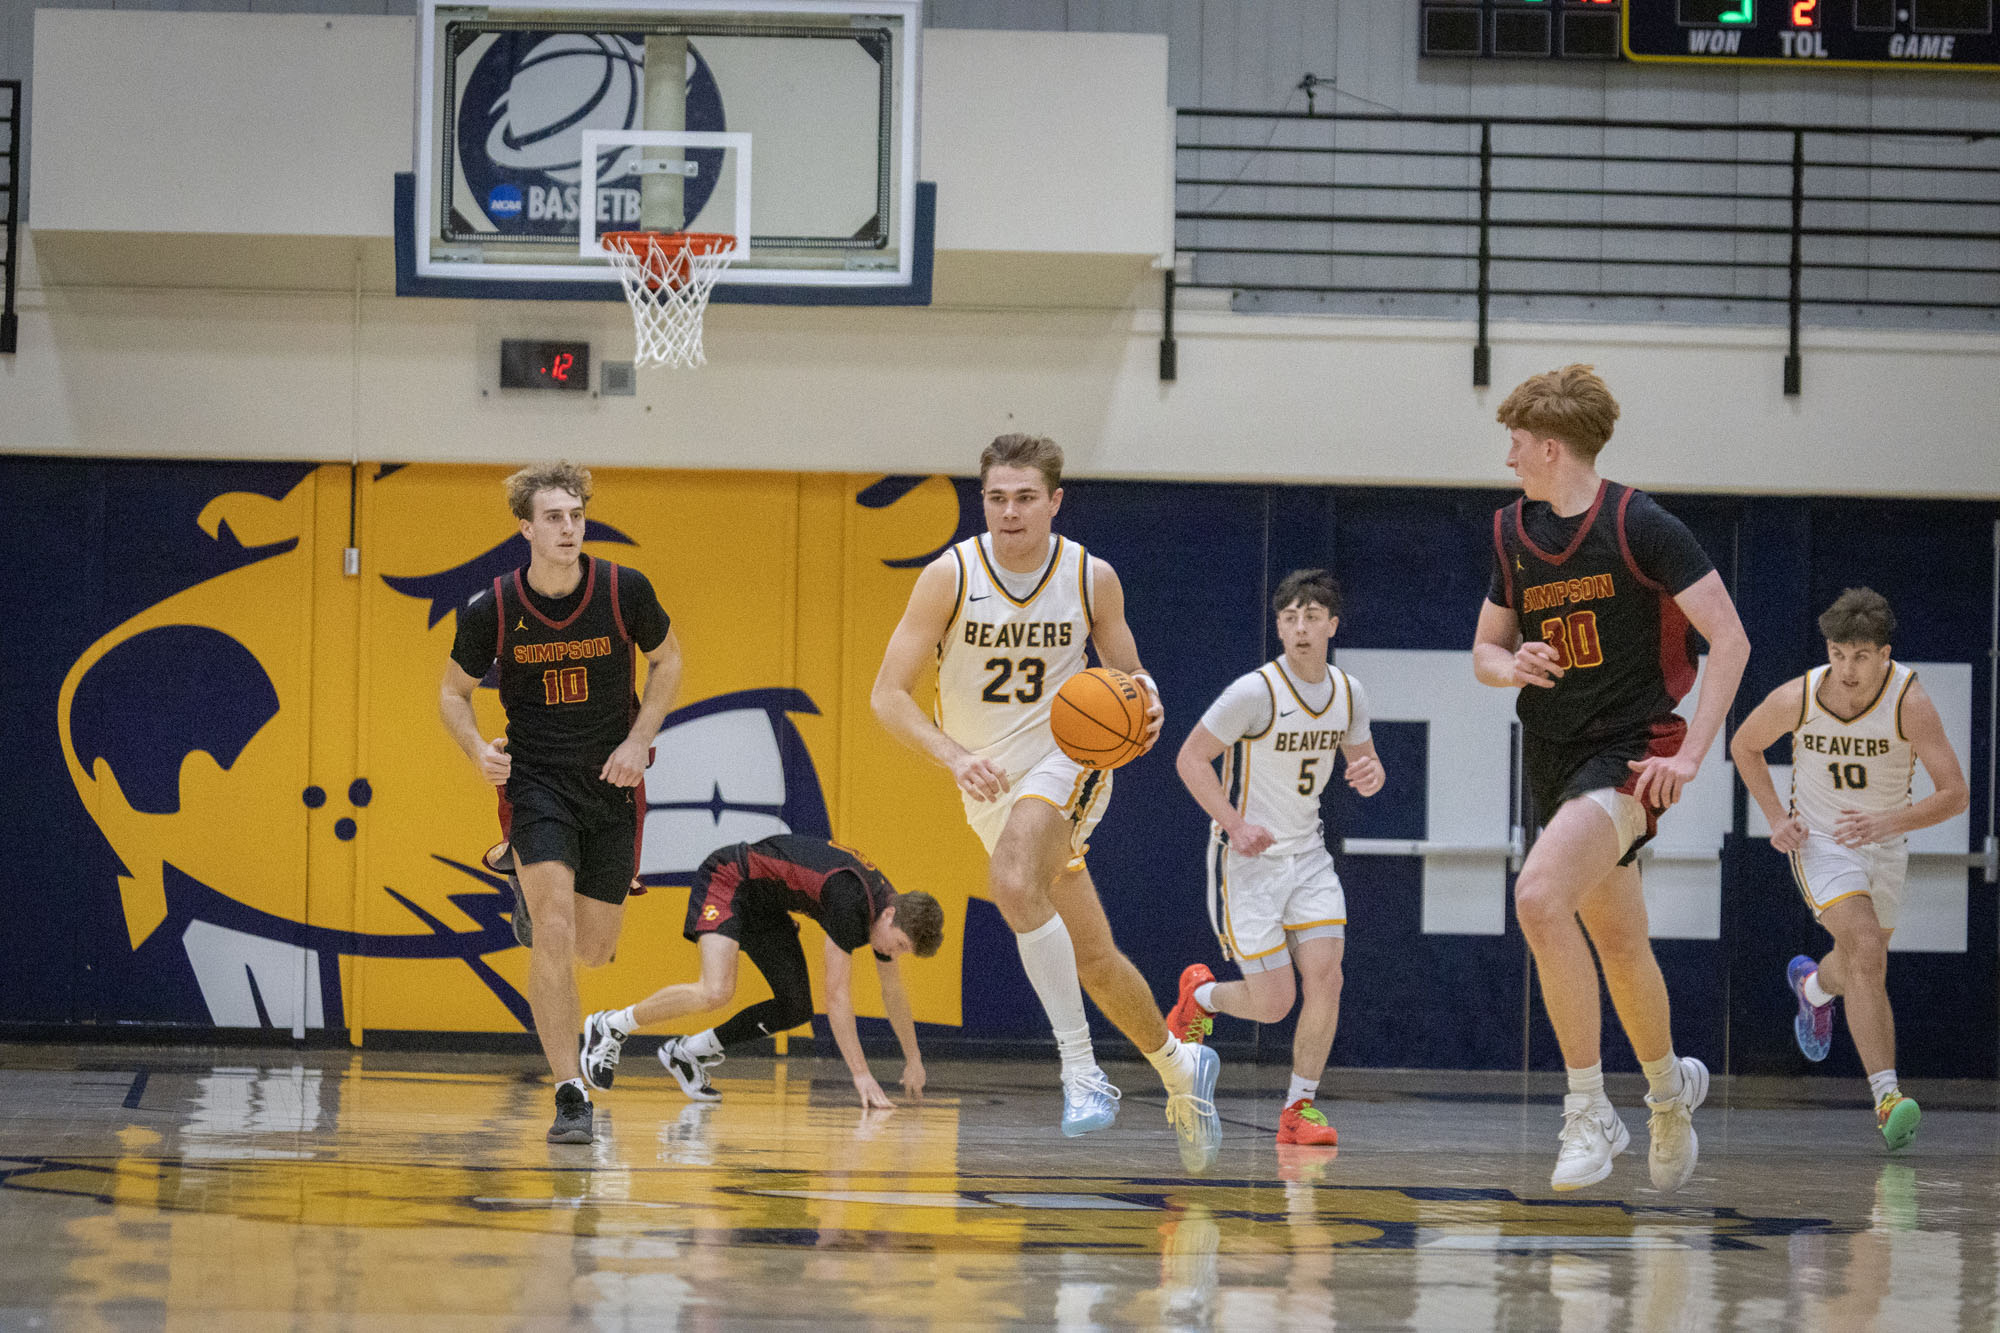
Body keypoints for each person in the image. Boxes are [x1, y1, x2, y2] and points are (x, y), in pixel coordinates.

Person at [870, 433, 1223, 1171]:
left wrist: (1148, 702)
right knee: (1093, 956)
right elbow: (887, 695)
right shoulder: (949, 576)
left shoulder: (1092, 577)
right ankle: (1178, 1065)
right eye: (996, 496)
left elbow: (1131, 677)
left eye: (1026, 496)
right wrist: (955, 756)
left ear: (1055, 501)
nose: (1009, 510)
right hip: (987, 777)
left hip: (1069, 759)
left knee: (1009, 880)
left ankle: (1082, 1070)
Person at [1471, 365, 1750, 1193]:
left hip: (1631, 751)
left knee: (1537, 896)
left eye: (1516, 443)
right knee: (1623, 947)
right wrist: (1508, 661)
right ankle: (1670, 1092)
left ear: (1550, 448)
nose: (1509, 456)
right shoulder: (1513, 535)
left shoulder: (1643, 525)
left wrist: (1694, 754)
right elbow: (1483, 652)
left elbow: (1729, 641)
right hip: (1553, 755)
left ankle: (1588, 1107)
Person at [440, 461, 682, 1144]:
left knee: (595, 950)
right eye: (554, 516)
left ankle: (520, 877)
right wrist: (476, 751)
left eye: (576, 515)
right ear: (526, 526)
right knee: (552, 931)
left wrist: (640, 739)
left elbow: (671, 661)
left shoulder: (623, 590)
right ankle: (569, 1090)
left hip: (612, 780)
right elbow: (451, 693)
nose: (569, 527)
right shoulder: (493, 607)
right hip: (537, 782)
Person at [1729, 588, 1968, 1150]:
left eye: (1861, 656)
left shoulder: (1910, 700)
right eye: (1838, 653)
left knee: (1861, 963)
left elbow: (1955, 793)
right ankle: (1888, 1098)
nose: (1847, 668)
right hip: (1820, 842)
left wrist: (1890, 823)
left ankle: (1812, 989)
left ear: (1884, 655)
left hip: (1883, 843)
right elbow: (1745, 745)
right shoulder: (1800, 696)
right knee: (1866, 947)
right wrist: (1776, 819)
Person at [1165, 568, 1386, 1148]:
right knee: (1273, 1003)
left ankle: (1299, 1108)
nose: (1300, 627)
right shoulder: (1254, 693)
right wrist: (1233, 825)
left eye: (1312, 616)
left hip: (1307, 857)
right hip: (1247, 864)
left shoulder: (1348, 692)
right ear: (1279, 628)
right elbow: (1190, 759)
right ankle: (1200, 997)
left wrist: (1371, 773)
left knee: (1327, 979)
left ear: (1333, 624)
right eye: (1289, 617)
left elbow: (1364, 765)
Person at [577, 834, 946, 1107]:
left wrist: (914, 1060)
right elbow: (837, 996)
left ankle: (687, 1052)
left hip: (766, 905)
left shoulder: (887, 908)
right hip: (730, 878)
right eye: (898, 945)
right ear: (891, 914)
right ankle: (611, 1026)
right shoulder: (853, 901)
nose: (893, 953)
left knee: (795, 1006)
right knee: (715, 991)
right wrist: (862, 1076)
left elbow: (893, 992)